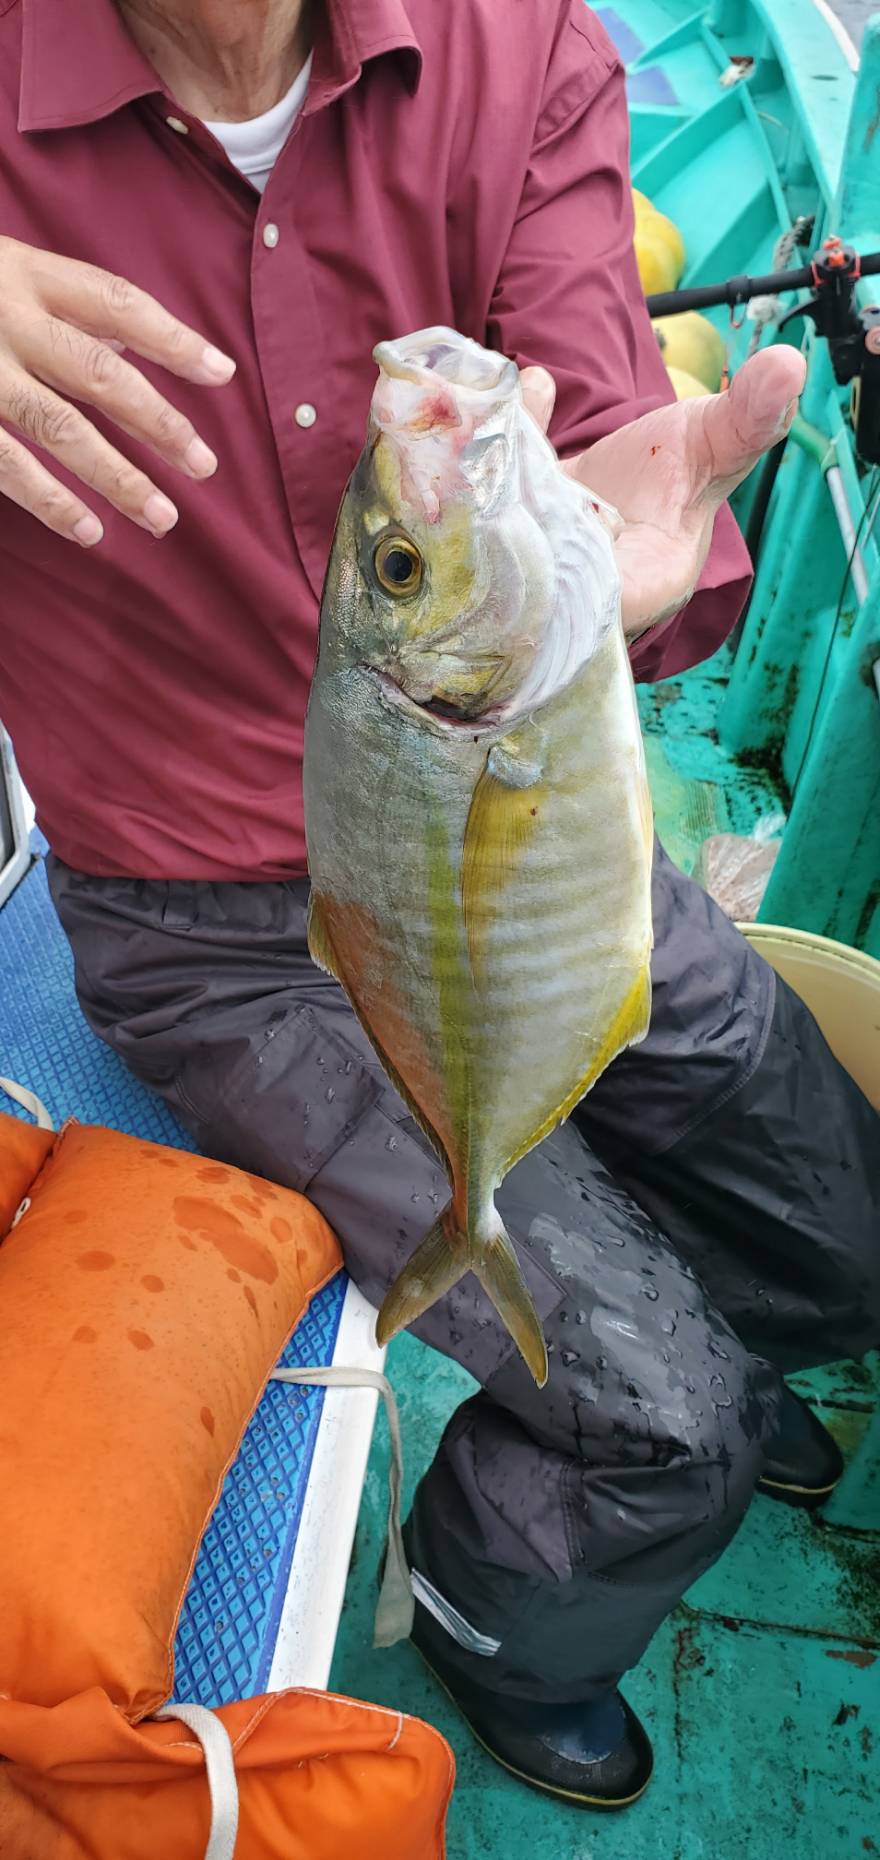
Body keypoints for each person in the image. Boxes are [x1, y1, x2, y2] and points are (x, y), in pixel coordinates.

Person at [0, 0, 877, 1813]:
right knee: (657, 1425)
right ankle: (498, 1618)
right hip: (210, 930)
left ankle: (729, 1351)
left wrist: (611, 528)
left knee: (832, 1199)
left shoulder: (521, 44)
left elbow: (598, 405)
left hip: (511, 829)